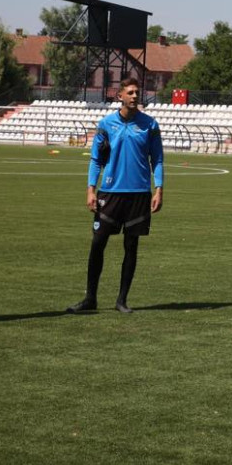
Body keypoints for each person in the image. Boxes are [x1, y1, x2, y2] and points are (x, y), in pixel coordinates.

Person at [67, 78, 163, 314]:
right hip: (109, 193)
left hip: (139, 194)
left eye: (137, 92)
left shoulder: (150, 125)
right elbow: (96, 159)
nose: (134, 96)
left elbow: (157, 159)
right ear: (119, 96)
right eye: (129, 92)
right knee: (98, 243)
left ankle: (122, 300)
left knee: (131, 246)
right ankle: (90, 298)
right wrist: (91, 189)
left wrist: (159, 189)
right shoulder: (106, 124)